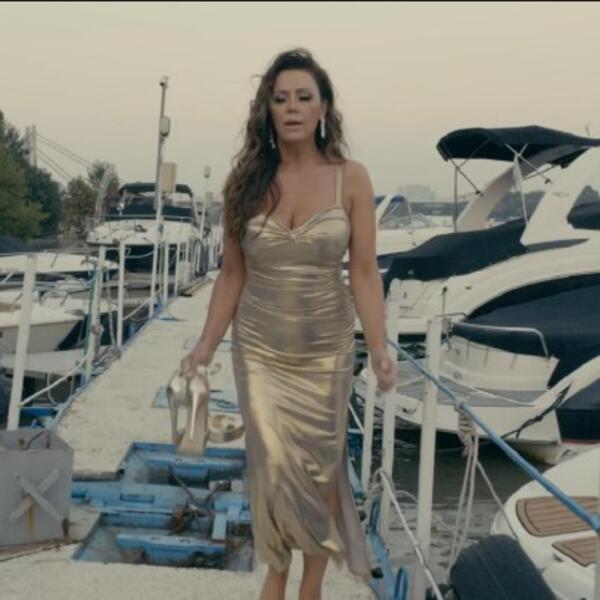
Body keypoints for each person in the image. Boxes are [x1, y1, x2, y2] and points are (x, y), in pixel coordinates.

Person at [182, 48, 396, 600]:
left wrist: (379, 346)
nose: (293, 108)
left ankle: (311, 588)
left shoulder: (351, 179)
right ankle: (276, 576)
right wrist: (204, 346)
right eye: (281, 99)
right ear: (268, 110)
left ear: (323, 108)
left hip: (326, 351)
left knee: (322, 473)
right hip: (259, 350)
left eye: (304, 97)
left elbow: (364, 272)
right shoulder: (245, 183)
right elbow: (232, 274)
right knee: (272, 468)